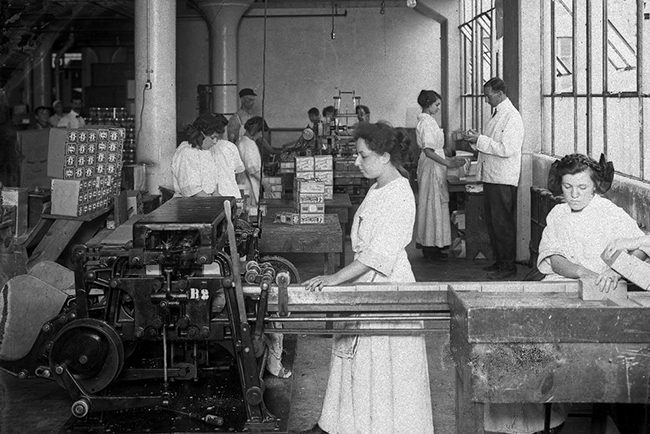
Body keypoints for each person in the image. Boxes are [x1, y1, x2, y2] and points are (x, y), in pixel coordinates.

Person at [300, 122, 434, 434]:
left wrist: (335, 278)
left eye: (363, 156)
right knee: (355, 359)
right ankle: (340, 425)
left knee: (383, 366)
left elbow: (377, 256)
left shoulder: (399, 194)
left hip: (388, 287)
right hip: (368, 282)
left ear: (385, 156)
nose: (357, 162)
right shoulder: (377, 188)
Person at [538, 153, 649, 290]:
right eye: (567, 186)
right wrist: (585, 274)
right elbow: (554, 258)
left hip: (605, 286)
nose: (574, 194)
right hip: (566, 281)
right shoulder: (557, 213)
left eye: (582, 187)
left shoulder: (610, 212)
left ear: (594, 186)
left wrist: (618, 271)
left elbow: (642, 247)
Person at [464, 77, 524, 280]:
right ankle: (500, 262)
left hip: (503, 179)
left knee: (502, 224)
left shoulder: (512, 117)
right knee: (493, 223)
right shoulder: (498, 114)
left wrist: (480, 139)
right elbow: (492, 143)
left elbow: (506, 149)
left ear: (499, 94)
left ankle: (508, 267)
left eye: (488, 96)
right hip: (492, 178)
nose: (486, 100)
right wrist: (476, 139)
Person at [415, 90, 465, 261]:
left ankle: (436, 244)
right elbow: (428, 151)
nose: (438, 108)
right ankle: (430, 246)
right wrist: (449, 163)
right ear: (428, 104)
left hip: (435, 166)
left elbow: (435, 149)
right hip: (431, 168)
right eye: (436, 104)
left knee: (436, 205)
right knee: (431, 206)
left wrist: (448, 156)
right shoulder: (426, 123)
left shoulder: (430, 121)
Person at [171, 114, 222, 197]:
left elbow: (212, 188)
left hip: (206, 201)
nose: (215, 142)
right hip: (192, 204)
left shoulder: (205, 152)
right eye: (212, 137)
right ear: (201, 134)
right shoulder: (187, 152)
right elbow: (193, 191)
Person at [210, 114, 245, 198]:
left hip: (214, 195)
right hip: (231, 193)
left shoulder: (205, 147)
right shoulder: (230, 146)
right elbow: (239, 172)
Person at [236, 116, 268, 209]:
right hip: (248, 184)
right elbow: (252, 169)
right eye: (261, 132)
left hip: (248, 183)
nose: (261, 135)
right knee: (249, 209)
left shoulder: (243, 141)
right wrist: (265, 183)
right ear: (255, 130)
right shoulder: (247, 144)